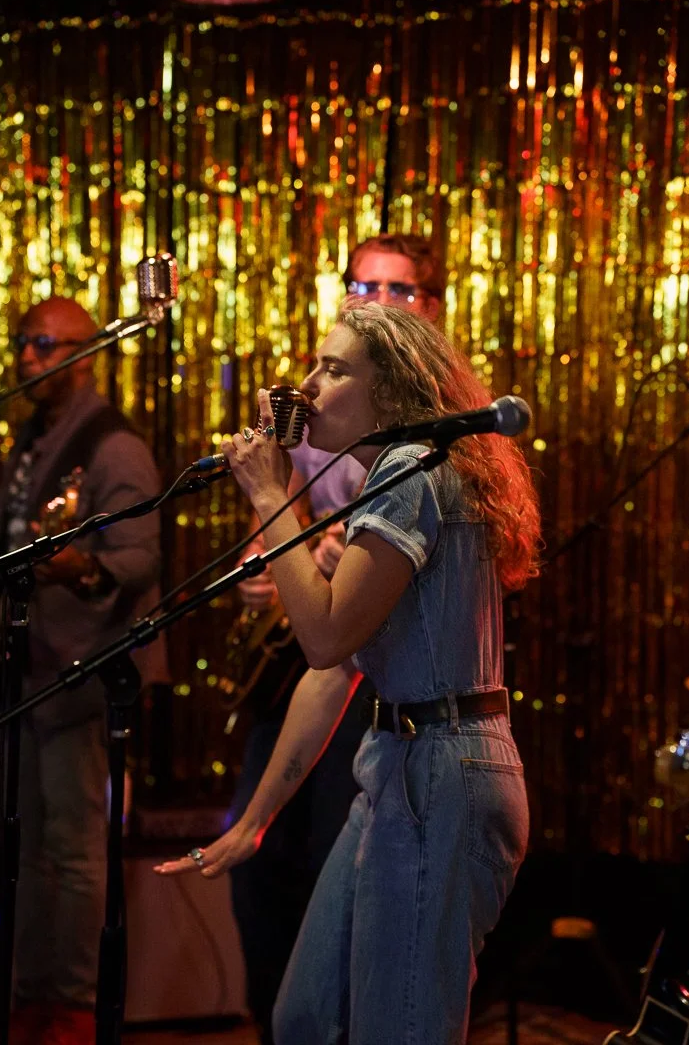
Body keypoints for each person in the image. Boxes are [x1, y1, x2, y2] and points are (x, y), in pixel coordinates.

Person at [157, 298, 540, 1044]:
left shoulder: (412, 468)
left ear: (391, 393)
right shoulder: (395, 475)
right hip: (396, 763)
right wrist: (255, 823)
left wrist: (270, 494)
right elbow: (331, 674)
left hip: (443, 770)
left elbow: (324, 636)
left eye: (334, 369)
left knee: (398, 1030)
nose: (307, 383)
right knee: (305, 1019)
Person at [223, 233, 445, 1045]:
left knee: (330, 856)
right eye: (363, 284)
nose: (377, 302)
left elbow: (363, 580)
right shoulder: (336, 401)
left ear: (431, 306)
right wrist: (269, 555)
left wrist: (301, 530)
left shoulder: (438, 439)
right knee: (261, 861)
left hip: (388, 680)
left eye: (398, 290)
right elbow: (305, 516)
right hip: (320, 651)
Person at [0, 297, 167, 1045]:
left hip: (82, 682)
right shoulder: (32, 435)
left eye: (41, 345)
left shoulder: (112, 444)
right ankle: (27, 1001)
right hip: (30, 678)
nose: (27, 358)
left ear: (83, 353)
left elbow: (138, 559)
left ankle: (68, 1010)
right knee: (23, 844)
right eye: (22, 343)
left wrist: (74, 564)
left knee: (74, 851)